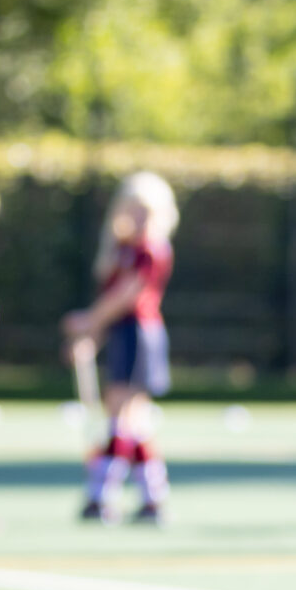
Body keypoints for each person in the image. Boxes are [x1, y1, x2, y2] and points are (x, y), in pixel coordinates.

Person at [65, 173, 179, 525]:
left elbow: (127, 296)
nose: (141, 218)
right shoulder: (122, 250)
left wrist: (89, 321)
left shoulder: (152, 250)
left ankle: (101, 495)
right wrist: (92, 336)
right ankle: (153, 497)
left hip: (140, 334)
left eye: (147, 211)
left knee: (121, 416)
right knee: (134, 423)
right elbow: (109, 301)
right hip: (122, 333)